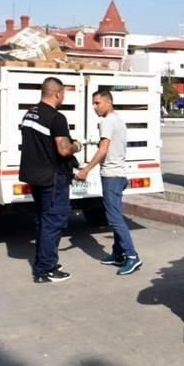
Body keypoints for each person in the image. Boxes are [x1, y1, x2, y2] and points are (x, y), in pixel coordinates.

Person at [19, 77, 81, 284]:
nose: (64, 97)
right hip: (53, 177)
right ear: (56, 93)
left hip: (35, 176)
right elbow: (63, 149)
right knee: (54, 222)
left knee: (43, 220)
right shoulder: (56, 118)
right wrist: (76, 146)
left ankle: (44, 261)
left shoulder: (30, 114)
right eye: (63, 93)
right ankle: (46, 269)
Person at [74, 89, 142, 276]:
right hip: (119, 174)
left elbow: (104, 149)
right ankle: (118, 254)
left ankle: (132, 256)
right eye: (93, 103)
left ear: (108, 102)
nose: (95, 107)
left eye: (98, 103)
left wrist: (86, 169)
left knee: (113, 218)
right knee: (116, 214)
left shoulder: (106, 122)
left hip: (112, 176)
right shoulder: (117, 120)